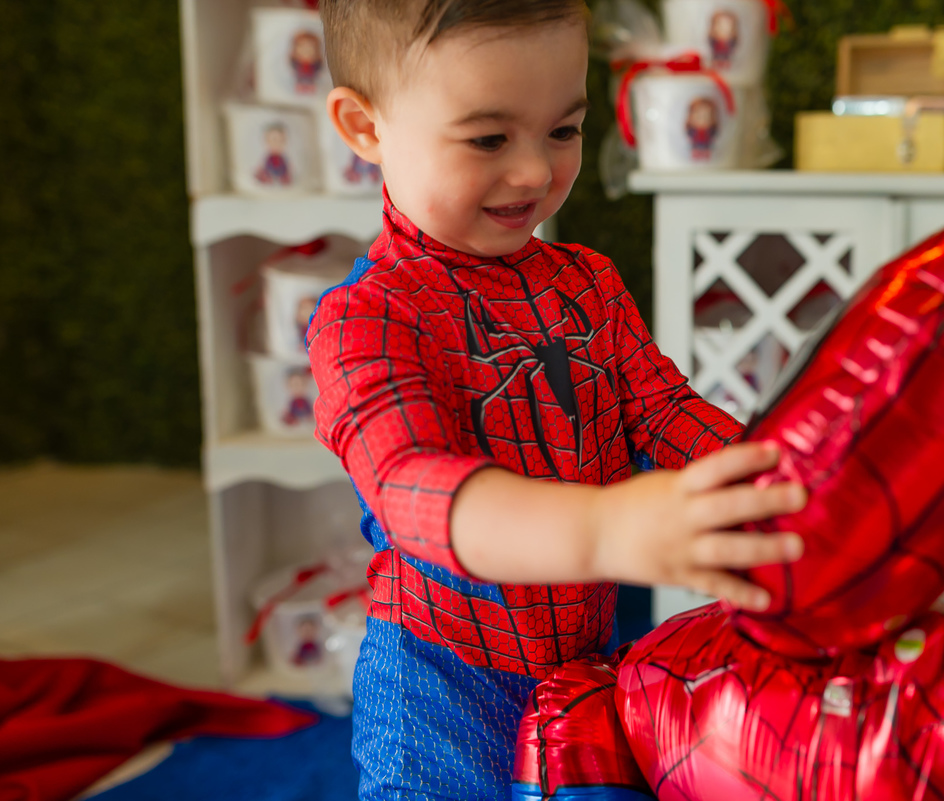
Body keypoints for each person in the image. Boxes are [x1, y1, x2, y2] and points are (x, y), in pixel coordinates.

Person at [310, 1, 807, 798]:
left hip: (583, 664)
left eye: (563, 130)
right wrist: (606, 529)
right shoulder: (365, 318)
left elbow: (666, 411)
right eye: (488, 139)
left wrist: (783, 480)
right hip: (439, 683)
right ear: (365, 127)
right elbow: (412, 489)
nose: (535, 173)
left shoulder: (588, 284)